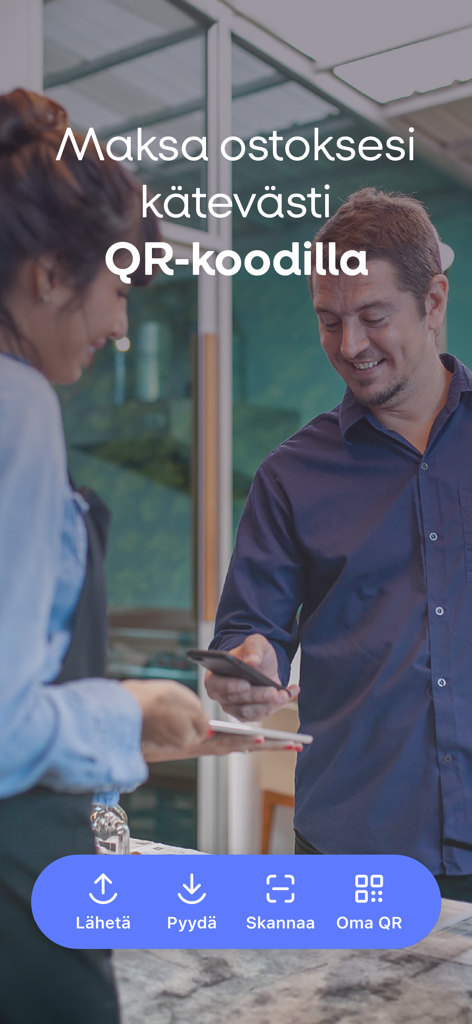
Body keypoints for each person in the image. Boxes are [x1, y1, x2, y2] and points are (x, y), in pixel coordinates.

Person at [0, 89, 286, 1024]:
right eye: (118, 290)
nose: (120, 326)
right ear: (47, 275)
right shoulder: (17, 408)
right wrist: (132, 710)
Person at [206, 186, 472, 902]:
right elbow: (248, 631)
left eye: (374, 317)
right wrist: (247, 663)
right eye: (330, 321)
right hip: (352, 850)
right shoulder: (291, 474)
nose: (350, 346)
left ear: (434, 299)